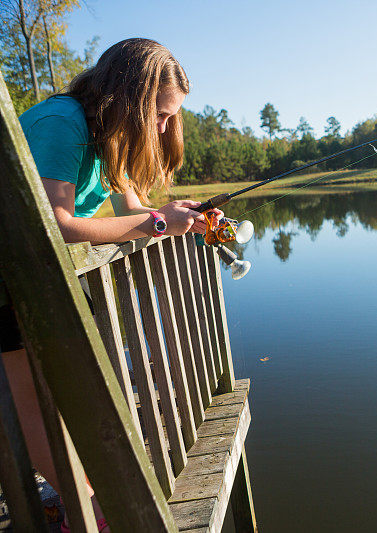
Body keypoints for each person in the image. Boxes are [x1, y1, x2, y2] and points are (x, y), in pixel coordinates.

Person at [0, 38, 222, 531]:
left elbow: (134, 211)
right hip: (10, 277)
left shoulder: (110, 137)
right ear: (131, 98)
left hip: (38, 279)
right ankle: (87, 509)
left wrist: (183, 218)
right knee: (33, 401)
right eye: (160, 115)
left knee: (67, 393)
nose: (165, 126)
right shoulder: (64, 123)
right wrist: (157, 225)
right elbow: (54, 224)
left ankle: (77, 497)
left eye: (170, 118)